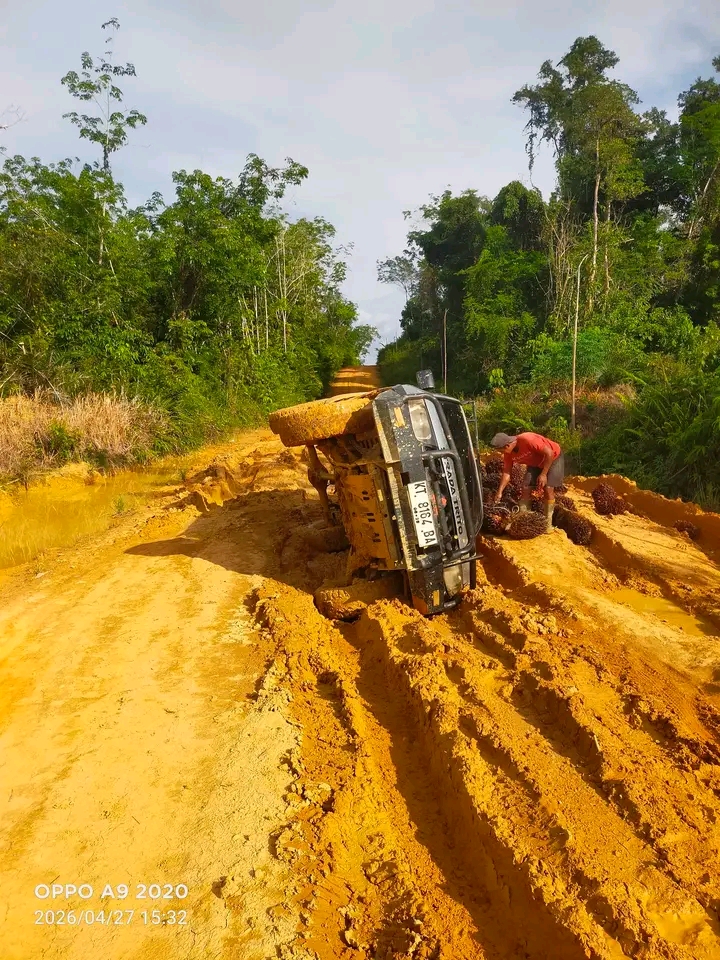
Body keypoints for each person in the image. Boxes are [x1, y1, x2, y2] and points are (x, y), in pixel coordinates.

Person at [490, 432, 564, 530]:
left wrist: (543, 474)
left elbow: (549, 453)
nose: (501, 453)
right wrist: (499, 492)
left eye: (501, 450)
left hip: (553, 458)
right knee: (525, 487)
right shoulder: (508, 454)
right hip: (536, 463)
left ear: (507, 445)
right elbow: (506, 473)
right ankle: (524, 518)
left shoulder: (527, 440)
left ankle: (548, 523)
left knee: (548, 488)